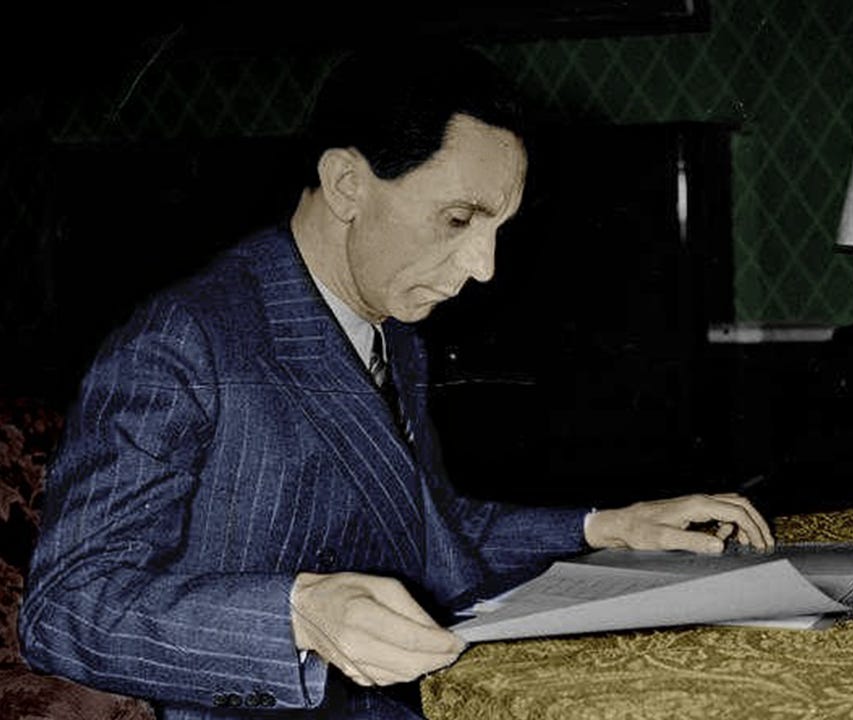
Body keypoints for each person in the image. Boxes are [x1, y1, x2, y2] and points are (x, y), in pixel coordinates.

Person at [19, 45, 773, 719]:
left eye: (497, 228)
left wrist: (608, 526)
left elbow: (424, 526)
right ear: (347, 183)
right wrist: (297, 615)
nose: (485, 267)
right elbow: (63, 607)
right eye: (458, 220)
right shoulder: (184, 342)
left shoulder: (387, 324)